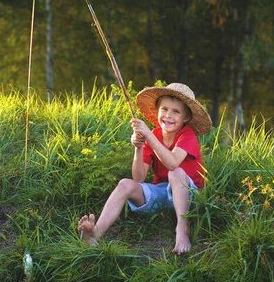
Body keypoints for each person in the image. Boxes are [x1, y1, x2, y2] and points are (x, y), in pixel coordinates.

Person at [78, 83, 212, 255]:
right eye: (164, 109)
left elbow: (172, 164)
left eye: (176, 111)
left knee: (175, 173)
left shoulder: (187, 136)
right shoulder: (155, 136)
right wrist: (139, 148)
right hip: (163, 194)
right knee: (125, 184)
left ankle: (182, 229)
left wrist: (148, 134)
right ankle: (94, 234)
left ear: (186, 117)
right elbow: (139, 178)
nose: (168, 115)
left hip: (189, 194)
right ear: (157, 112)